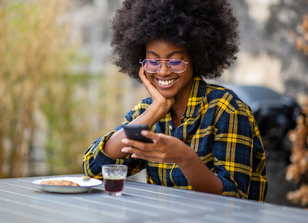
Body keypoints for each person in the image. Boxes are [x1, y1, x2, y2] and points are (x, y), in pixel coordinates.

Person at [83, 0, 267, 201]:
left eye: (175, 61)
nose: (162, 71)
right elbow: (95, 170)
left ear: (196, 58)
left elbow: (236, 199)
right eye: (153, 61)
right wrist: (156, 109)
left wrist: (184, 158)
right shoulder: (148, 112)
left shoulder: (226, 110)